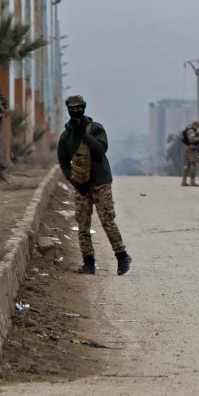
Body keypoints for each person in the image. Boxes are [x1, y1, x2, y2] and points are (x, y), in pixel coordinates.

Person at [56, 95, 132, 276]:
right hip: (81, 184)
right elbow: (63, 161)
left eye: (78, 107)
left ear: (84, 108)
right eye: (72, 108)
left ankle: (122, 256)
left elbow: (101, 149)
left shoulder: (96, 128)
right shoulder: (66, 136)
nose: (75, 111)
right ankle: (88, 262)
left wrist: (84, 135)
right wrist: (74, 181)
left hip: (100, 182)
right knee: (82, 224)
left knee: (107, 220)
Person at [181, 120, 199, 187]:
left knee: (187, 165)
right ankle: (192, 181)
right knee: (193, 165)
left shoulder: (189, 129)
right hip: (191, 149)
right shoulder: (191, 131)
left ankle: (184, 181)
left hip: (188, 148)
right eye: (197, 126)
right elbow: (192, 140)